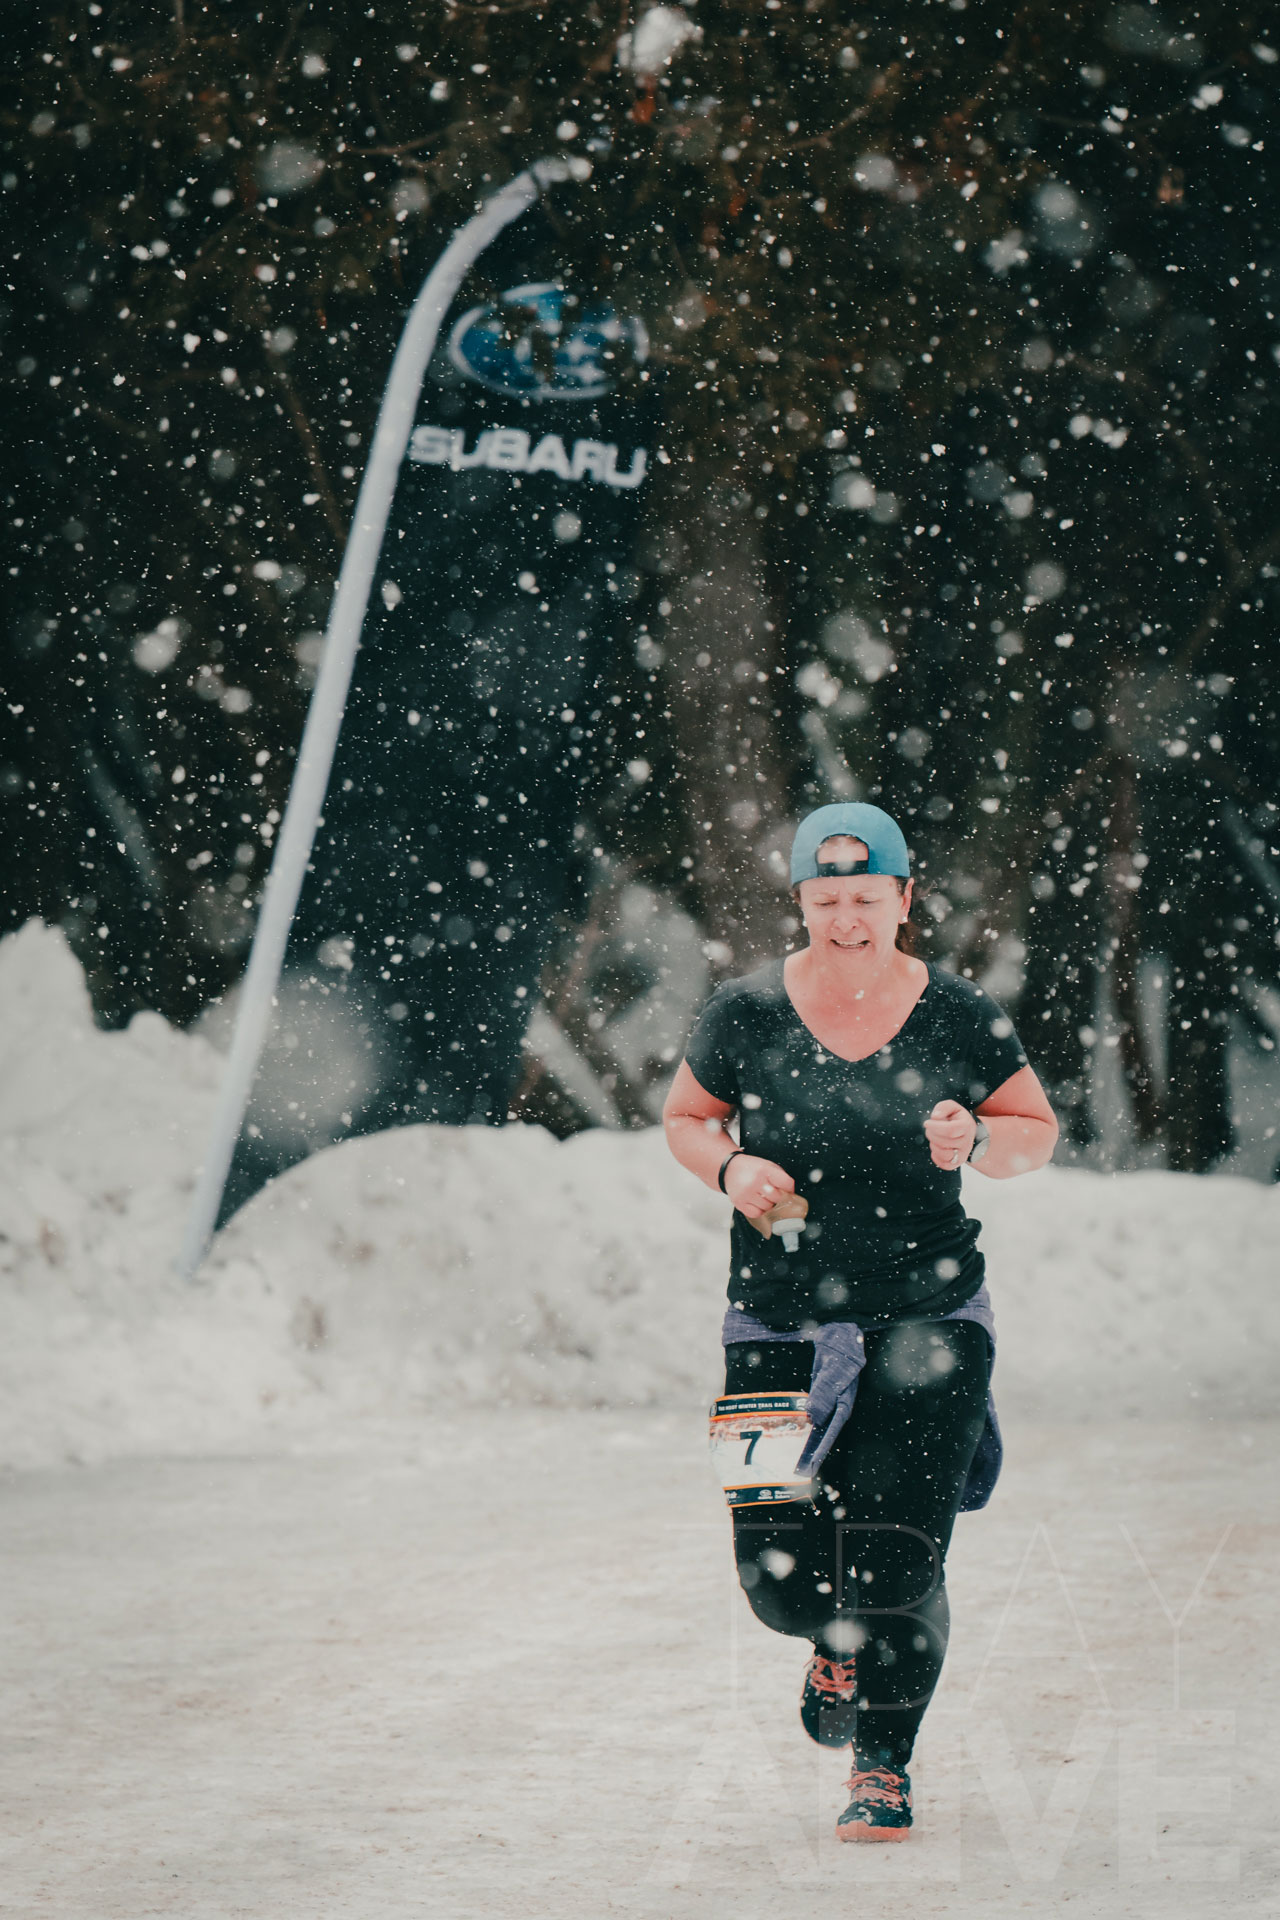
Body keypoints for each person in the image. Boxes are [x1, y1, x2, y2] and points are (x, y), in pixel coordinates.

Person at [663, 801, 1058, 1841]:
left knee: (897, 1557)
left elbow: (1032, 1130)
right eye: (827, 898)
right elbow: (687, 1118)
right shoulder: (744, 1014)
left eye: (867, 899)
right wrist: (729, 1167)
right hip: (774, 1321)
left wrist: (977, 1138)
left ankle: (882, 1765)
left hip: (928, 1318)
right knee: (775, 1582)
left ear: (903, 899)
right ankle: (824, 1637)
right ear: (801, 901)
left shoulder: (958, 1014)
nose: (847, 919)